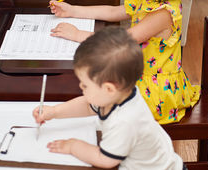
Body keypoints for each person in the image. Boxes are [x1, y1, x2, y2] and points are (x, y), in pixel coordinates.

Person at [48, 0, 201, 125]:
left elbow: (122, 42)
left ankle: (97, 143)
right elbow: (113, 11)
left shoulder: (164, 13)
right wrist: (73, 10)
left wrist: (78, 34)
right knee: (97, 91)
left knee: (100, 96)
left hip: (155, 91)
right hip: (137, 74)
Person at [33, 26, 184, 169]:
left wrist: (73, 146)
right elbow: (87, 106)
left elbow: (105, 159)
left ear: (109, 89)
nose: (81, 87)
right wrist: (54, 112)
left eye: (85, 85)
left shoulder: (123, 121)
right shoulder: (118, 94)